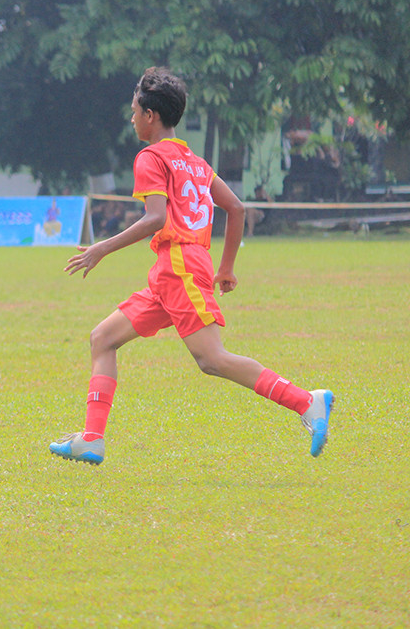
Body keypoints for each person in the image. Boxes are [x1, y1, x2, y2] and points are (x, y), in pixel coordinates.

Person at [49, 67, 333, 466]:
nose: (131, 118)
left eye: (134, 111)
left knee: (211, 359)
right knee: (103, 339)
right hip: (176, 268)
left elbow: (155, 219)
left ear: (150, 115)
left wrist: (102, 248)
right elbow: (235, 207)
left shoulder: (149, 157)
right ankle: (92, 440)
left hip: (179, 264)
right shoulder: (194, 161)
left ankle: (307, 401)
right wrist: (226, 268)